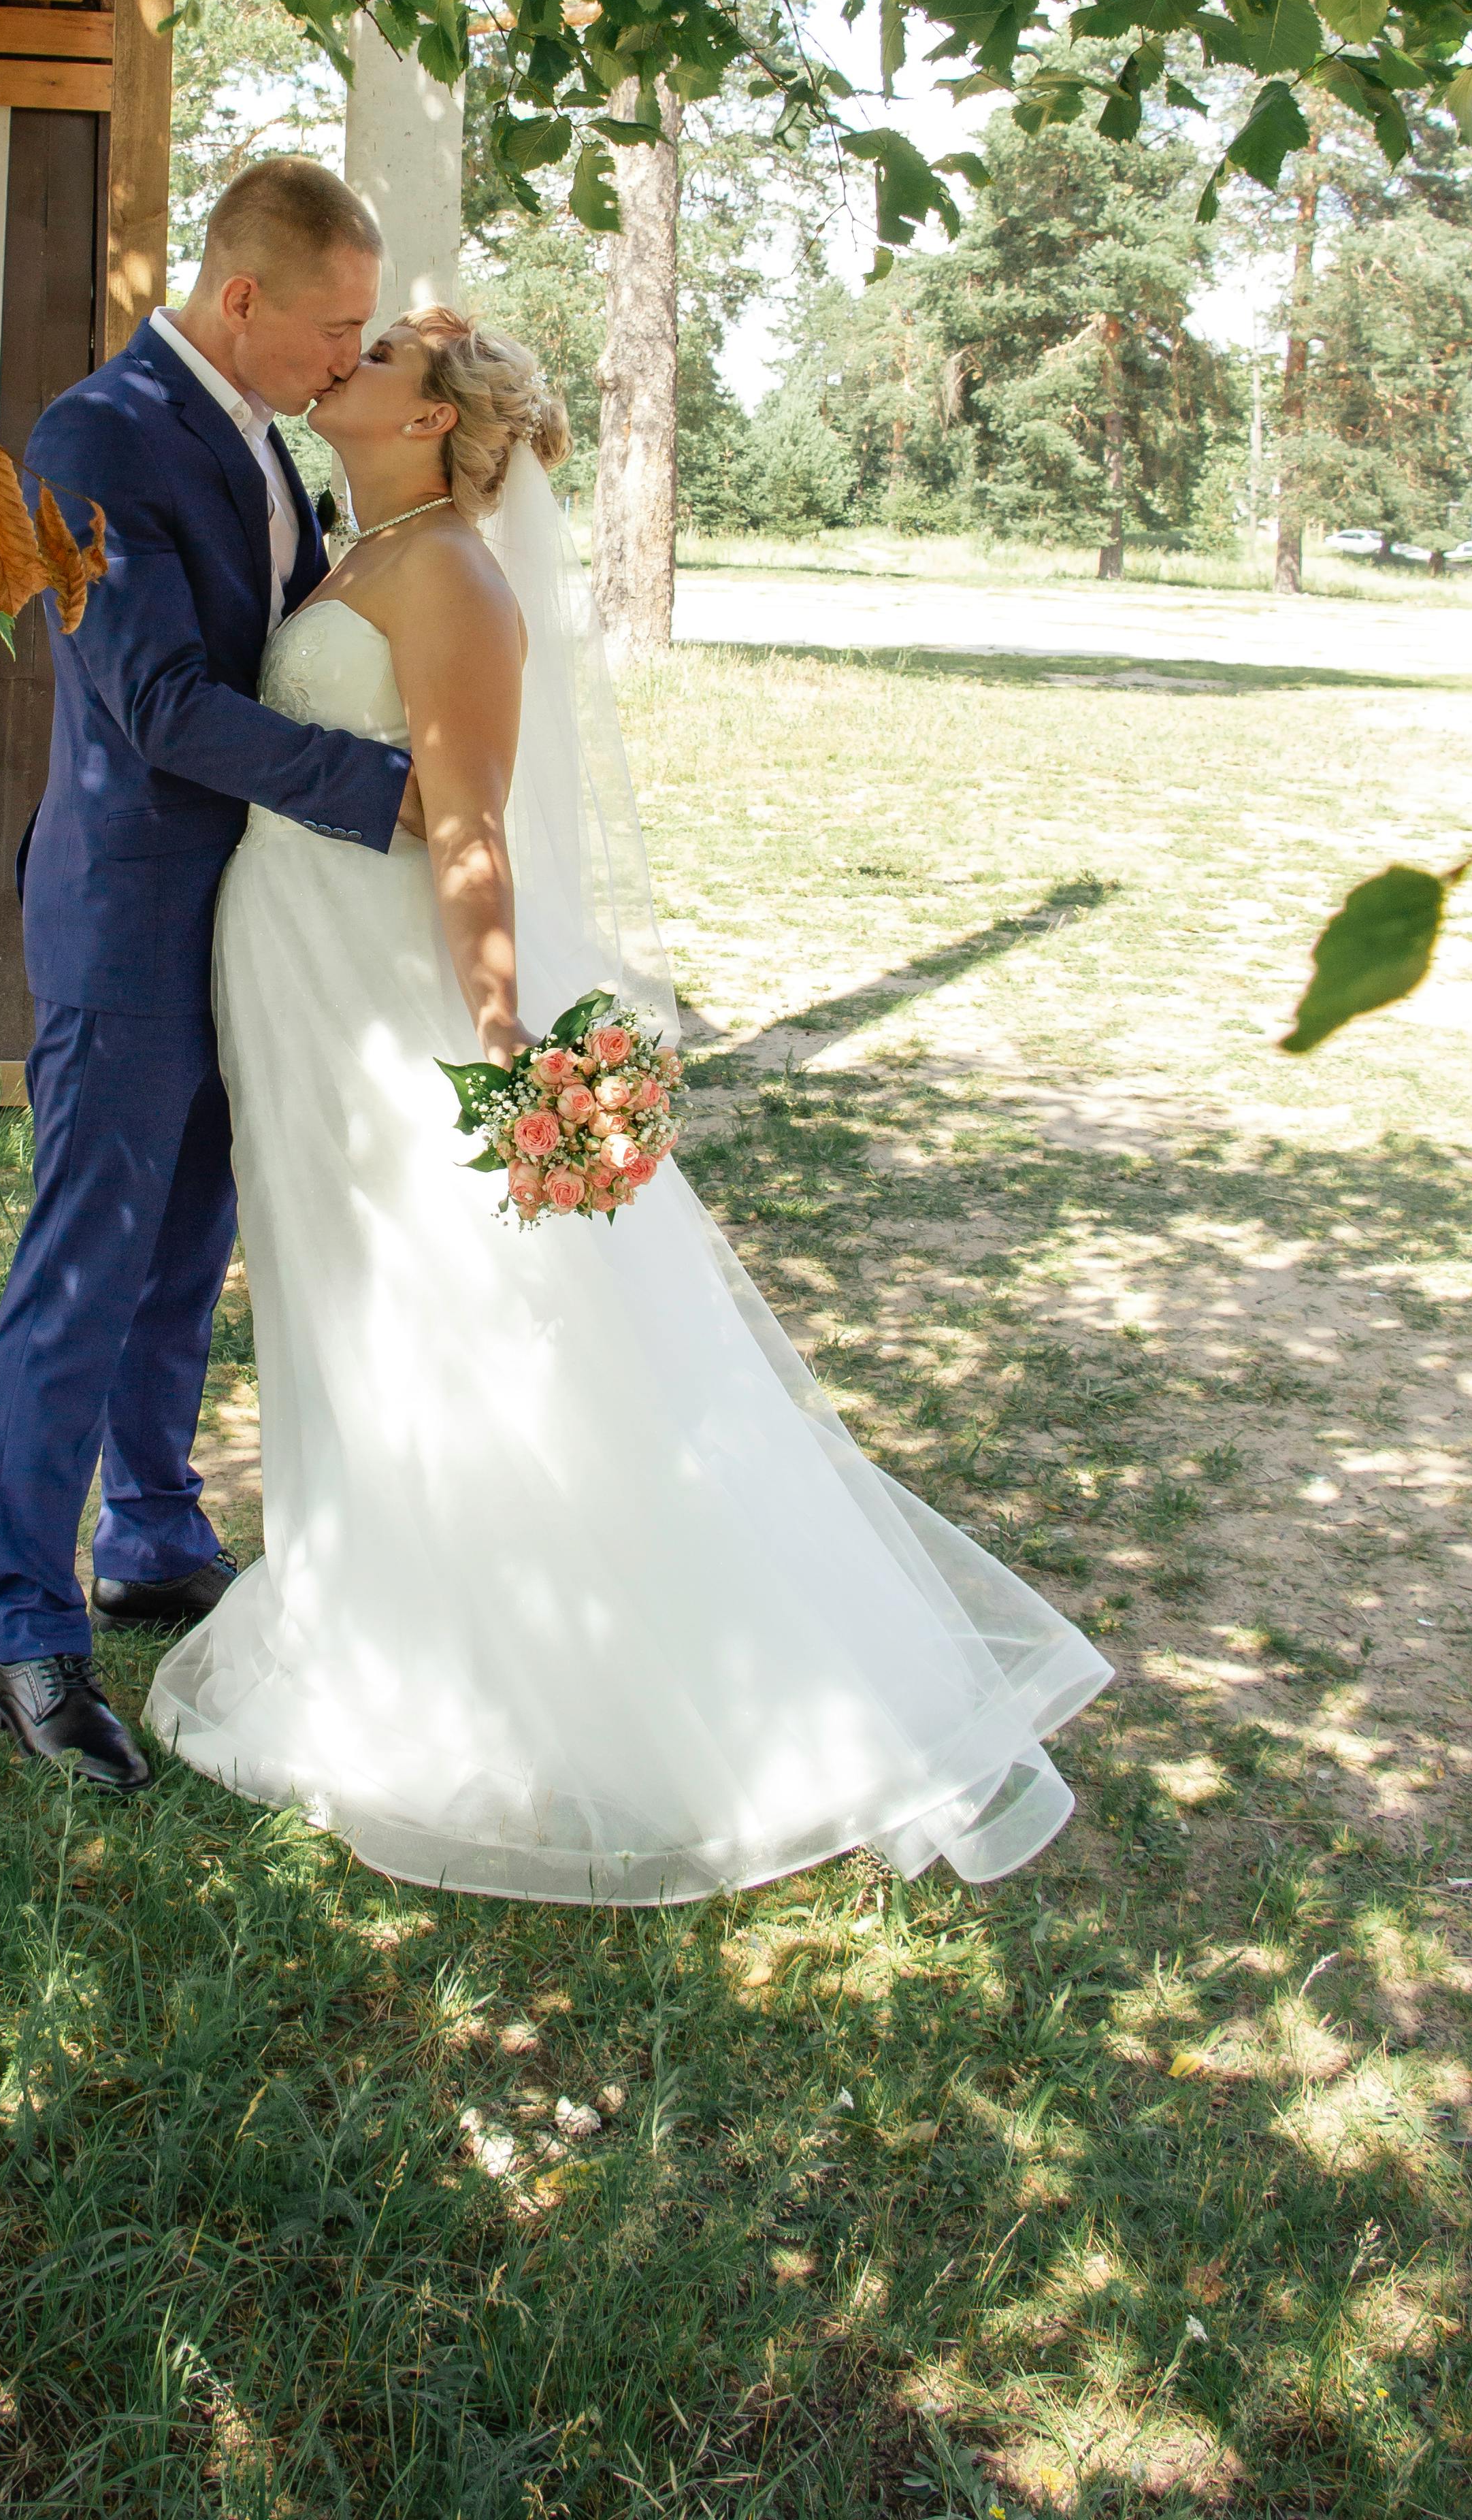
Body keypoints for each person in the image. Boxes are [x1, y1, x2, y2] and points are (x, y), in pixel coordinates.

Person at [144, 308, 1112, 1900]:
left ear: (432, 417)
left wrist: (510, 1043)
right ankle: (381, 1607)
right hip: (304, 999)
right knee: (341, 1305)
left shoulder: (453, 575)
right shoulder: (360, 544)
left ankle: (541, 1664)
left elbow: (472, 833)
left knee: (461, 1317)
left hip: (396, 1015)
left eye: (379, 352)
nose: (347, 361)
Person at [0, 157, 417, 1793]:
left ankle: (152, 1532)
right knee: (86, 1266)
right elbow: (158, 699)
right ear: (243, 301)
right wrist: (394, 797)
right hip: (131, 921)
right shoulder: (93, 437)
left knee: (189, 1249)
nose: (345, 361)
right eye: (333, 329)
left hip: (256, 926)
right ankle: (29, 1626)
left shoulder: (269, 441)